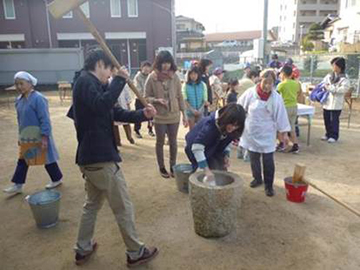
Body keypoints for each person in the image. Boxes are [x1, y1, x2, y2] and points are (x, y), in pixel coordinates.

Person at [71, 49, 158, 267]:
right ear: (100, 64)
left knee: (91, 204)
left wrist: (142, 115)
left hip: (91, 159)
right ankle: (136, 252)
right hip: (100, 159)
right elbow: (102, 105)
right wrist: (120, 80)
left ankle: (83, 248)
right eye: (109, 70)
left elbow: (114, 112)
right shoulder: (84, 82)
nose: (110, 75)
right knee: (123, 206)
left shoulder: (92, 85)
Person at [3, 72, 63, 195]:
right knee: (23, 159)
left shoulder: (38, 99)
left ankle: (56, 179)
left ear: (30, 84)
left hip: (40, 135)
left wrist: (45, 137)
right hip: (27, 136)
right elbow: (20, 120)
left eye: (21, 83)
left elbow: (44, 119)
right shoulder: (19, 100)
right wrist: (20, 136)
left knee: (47, 158)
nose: (19, 87)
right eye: (17, 84)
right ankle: (18, 185)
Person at [238, 69, 290, 197]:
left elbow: (281, 116)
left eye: (270, 83)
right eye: (265, 82)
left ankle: (269, 185)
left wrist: (284, 134)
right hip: (252, 132)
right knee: (254, 158)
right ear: (259, 80)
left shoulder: (276, 97)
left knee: (268, 161)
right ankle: (257, 178)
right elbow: (239, 108)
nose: (267, 86)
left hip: (267, 133)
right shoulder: (250, 93)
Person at [145, 50, 187, 178]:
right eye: (163, 63)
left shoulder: (175, 76)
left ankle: (173, 166)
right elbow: (146, 97)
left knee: (173, 142)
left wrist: (184, 113)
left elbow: (180, 96)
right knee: (160, 142)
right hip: (159, 115)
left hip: (174, 114)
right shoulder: (152, 77)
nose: (165, 66)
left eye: (168, 63)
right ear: (158, 63)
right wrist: (157, 100)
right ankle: (162, 167)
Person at [185, 103, 246, 179]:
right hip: (195, 147)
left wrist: (225, 155)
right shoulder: (210, 126)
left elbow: (225, 140)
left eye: (236, 126)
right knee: (203, 174)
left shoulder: (230, 128)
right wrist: (206, 169)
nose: (233, 128)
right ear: (226, 119)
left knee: (221, 170)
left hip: (213, 147)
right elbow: (197, 148)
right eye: (232, 124)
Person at [321, 57, 350, 143]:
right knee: (326, 118)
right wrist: (325, 87)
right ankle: (328, 133)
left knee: (334, 120)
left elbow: (343, 89)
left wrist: (331, 88)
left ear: (340, 66)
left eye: (334, 65)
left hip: (336, 103)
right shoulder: (329, 75)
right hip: (327, 101)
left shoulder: (345, 78)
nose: (333, 67)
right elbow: (323, 84)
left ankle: (334, 135)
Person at [277, 65, 302, 153]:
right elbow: (298, 92)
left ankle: (282, 144)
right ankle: (295, 145)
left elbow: (276, 94)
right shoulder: (296, 84)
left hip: (285, 107)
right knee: (292, 127)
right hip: (294, 107)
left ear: (283, 74)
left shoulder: (282, 84)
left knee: (281, 127)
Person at [182, 66, 208, 130]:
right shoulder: (185, 85)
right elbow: (185, 99)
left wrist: (200, 110)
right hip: (190, 112)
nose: (193, 76)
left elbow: (205, 99)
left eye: (195, 74)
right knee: (192, 130)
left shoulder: (203, 85)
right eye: (191, 74)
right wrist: (192, 110)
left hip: (200, 111)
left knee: (200, 130)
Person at [133, 61, 155, 138]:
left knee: (151, 116)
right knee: (138, 115)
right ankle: (137, 130)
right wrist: (144, 96)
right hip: (139, 99)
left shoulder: (151, 76)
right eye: (144, 67)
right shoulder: (137, 77)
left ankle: (150, 129)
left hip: (149, 100)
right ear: (141, 68)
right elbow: (138, 89)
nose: (146, 69)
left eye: (148, 67)